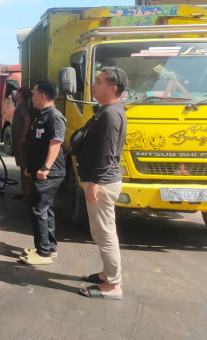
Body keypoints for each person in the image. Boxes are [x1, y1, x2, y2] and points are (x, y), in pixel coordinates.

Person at [78, 67, 128, 300]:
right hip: (103, 181)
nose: (93, 84)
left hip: (103, 183)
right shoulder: (109, 110)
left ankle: (113, 284)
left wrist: (94, 183)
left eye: (98, 81)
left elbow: (106, 154)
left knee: (105, 234)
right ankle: (106, 274)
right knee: (102, 232)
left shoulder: (110, 115)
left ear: (113, 88)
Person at [18, 80, 66, 265]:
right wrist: (31, 166)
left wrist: (45, 167)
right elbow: (37, 144)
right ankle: (50, 248)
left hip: (50, 172)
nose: (33, 96)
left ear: (43, 96)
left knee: (38, 209)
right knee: (47, 209)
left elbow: (56, 143)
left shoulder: (55, 116)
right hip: (40, 169)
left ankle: (43, 252)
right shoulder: (40, 115)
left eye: (35, 93)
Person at [11, 86, 33, 201]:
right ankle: (24, 192)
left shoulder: (22, 106)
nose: (15, 94)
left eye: (17, 92)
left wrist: (23, 137)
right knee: (22, 167)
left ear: (20, 94)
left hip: (21, 142)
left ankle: (28, 193)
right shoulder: (20, 106)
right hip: (18, 141)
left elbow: (28, 120)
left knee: (25, 168)